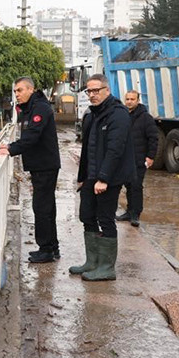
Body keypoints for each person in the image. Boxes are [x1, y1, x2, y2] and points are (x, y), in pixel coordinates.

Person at [69, 74, 135, 282]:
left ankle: (106, 268)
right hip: (91, 176)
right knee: (87, 215)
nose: (92, 95)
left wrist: (104, 178)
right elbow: (87, 149)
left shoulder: (118, 114)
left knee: (105, 218)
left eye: (96, 91)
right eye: (89, 91)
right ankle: (92, 262)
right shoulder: (91, 115)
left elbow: (115, 149)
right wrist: (83, 178)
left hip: (110, 177)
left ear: (107, 90)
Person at [7, 77, 62, 263]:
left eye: (20, 90)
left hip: (45, 165)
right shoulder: (31, 107)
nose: (17, 94)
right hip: (41, 165)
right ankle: (52, 246)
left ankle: (46, 249)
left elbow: (32, 136)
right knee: (47, 207)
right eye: (15, 91)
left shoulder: (40, 108)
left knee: (42, 208)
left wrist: (10, 149)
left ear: (31, 89)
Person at [115, 90, 159, 227]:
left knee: (136, 186)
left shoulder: (146, 118)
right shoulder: (122, 115)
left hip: (139, 159)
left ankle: (136, 214)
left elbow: (153, 138)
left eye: (132, 99)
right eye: (127, 99)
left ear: (138, 100)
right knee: (128, 185)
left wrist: (151, 156)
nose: (129, 101)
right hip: (125, 159)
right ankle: (129, 211)